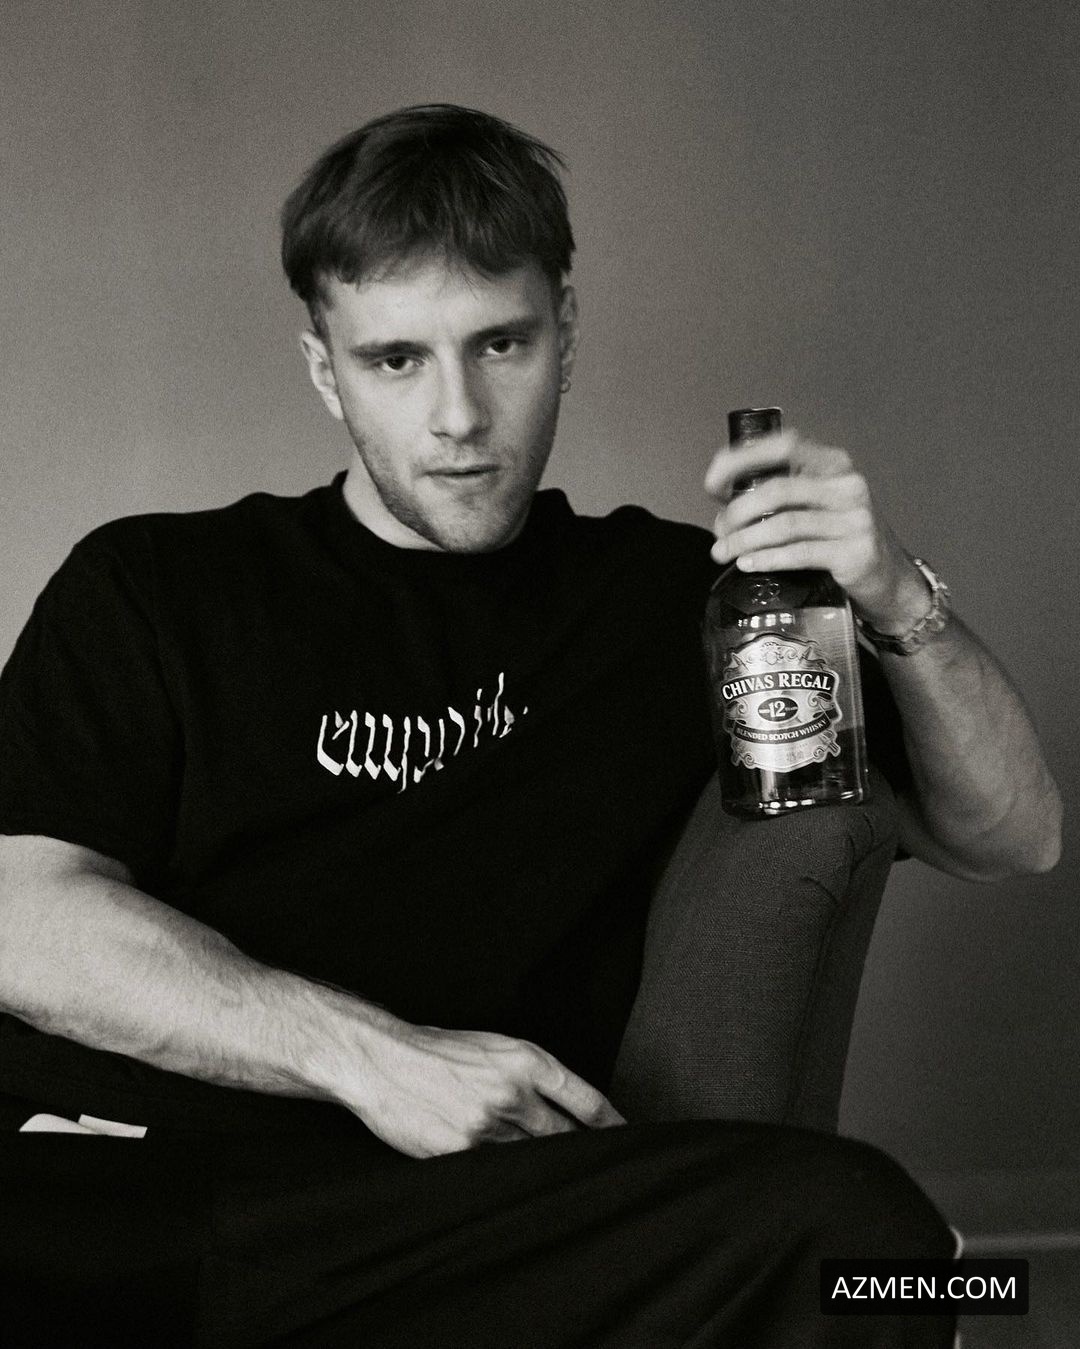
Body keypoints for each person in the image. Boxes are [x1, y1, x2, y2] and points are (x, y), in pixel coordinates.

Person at [0, 103, 1060, 1347]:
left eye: (499, 344)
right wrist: (373, 1057)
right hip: (123, 1187)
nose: (457, 415)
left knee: (882, 1245)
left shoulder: (678, 608)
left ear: (566, 331)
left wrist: (892, 591)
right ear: (325, 370)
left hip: (469, 1228)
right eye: (396, 360)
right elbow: (21, 913)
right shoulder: (156, 585)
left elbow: (1012, 834)